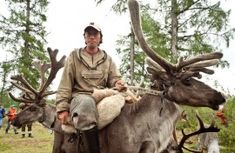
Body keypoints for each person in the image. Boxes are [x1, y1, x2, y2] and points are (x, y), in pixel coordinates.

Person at [56, 22, 125, 153]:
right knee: (87, 104)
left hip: (104, 95)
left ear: (100, 38)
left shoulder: (108, 59)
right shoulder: (74, 57)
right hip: (80, 97)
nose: (92, 37)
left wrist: (118, 83)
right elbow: (65, 83)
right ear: (85, 37)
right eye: (89, 34)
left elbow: (114, 79)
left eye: (95, 34)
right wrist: (62, 108)